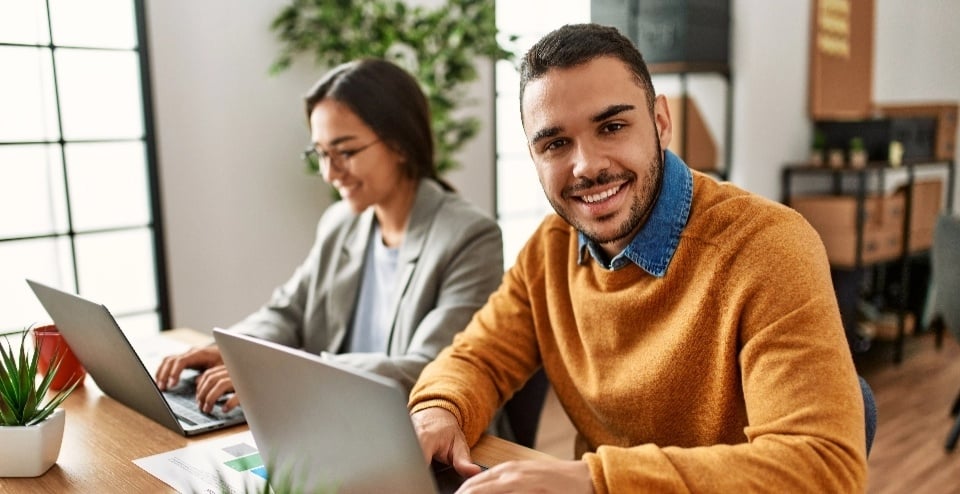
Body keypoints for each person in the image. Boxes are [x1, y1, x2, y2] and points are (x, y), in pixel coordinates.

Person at [408, 23, 867, 492]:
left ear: (661, 123)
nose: (586, 166)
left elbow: (823, 466)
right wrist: (440, 408)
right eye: (556, 143)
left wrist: (593, 481)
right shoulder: (551, 247)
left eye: (612, 127)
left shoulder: (767, 248)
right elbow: (477, 358)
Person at [155, 58, 503, 415]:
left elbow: (431, 368)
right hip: (336, 417)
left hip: (423, 433)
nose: (329, 173)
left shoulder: (469, 237)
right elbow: (288, 312)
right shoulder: (340, 223)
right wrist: (233, 351)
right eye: (321, 154)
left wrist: (288, 373)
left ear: (400, 144)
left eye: (346, 152)